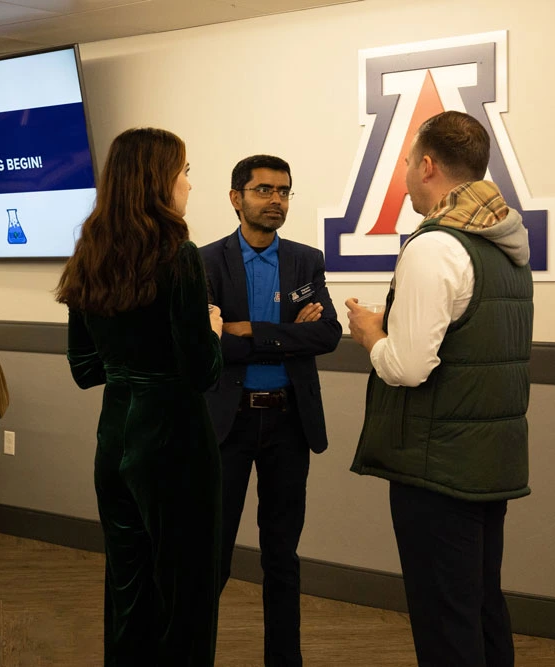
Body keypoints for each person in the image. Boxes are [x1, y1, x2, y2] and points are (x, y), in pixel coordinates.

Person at [346, 110, 533, 667]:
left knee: (444, 622)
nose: (404, 173)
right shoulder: (505, 246)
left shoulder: (435, 246)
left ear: (427, 166)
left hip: (437, 467)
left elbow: (407, 367)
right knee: (479, 608)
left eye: (407, 162)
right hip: (487, 463)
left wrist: (371, 333)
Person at [56, 127, 224, 666]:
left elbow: (84, 368)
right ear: (158, 180)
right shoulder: (180, 255)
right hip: (175, 439)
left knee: (127, 586)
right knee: (186, 591)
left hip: (116, 436)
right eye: (185, 172)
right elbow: (201, 372)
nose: (190, 186)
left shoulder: (88, 255)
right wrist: (213, 330)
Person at [200, 154, 341, 666]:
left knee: (282, 556)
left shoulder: (305, 261)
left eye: (284, 191)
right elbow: (207, 347)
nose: (276, 201)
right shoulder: (205, 263)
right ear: (236, 197)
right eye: (263, 190)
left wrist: (247, 331)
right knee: (213, 555)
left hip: (288, 423)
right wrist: (288, 337)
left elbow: (327, 335)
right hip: (227, 423)